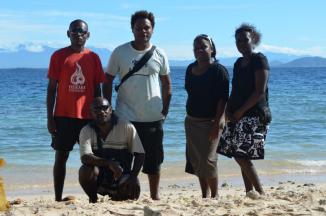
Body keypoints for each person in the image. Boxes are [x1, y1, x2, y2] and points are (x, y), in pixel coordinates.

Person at [103, 10, 172, 200]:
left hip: (153, 117)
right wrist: (109, 110)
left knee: (154, 160)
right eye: (139, 28)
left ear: (153, 29)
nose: (143, 31)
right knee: (125, 159)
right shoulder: (120, 52)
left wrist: (165, 110)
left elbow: (167, 83)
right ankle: (124, 193)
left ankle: (155, 196)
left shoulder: (160, 53)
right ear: (132, 29)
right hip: (126, 116)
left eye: (147, 28)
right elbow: (107, 81)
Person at [46, 19, 106, 201]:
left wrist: (101, 118)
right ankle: (57, 197)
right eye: (74, 31)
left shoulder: (93, 58)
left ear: (88, 35)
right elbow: (51, 89)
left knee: (91, 157)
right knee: (61, 156)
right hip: (63, 116)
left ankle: (93, 196)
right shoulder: (58, 56)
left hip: (87, 118)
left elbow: (98, 90)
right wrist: (50, 118)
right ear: (68, 34)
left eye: (82, 32)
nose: (78, 34)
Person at [217, 24, 272, 196]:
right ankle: (249, 192)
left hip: (255, 115)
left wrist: (241, 111)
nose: (241, 43)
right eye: (238, 40)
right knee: (239, 153)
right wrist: (228, 111)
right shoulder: (239, 63)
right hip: (236, 114)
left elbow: (259, 91)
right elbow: (236, 90)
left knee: (241, 156)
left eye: (245, 40)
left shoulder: (259, 60)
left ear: (253, 40)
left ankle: (260, 193)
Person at [184, 34, 229, 198]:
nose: (199, 50)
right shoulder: (190, 68)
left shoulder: (219, 71)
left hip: (212, 121)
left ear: (212, 49)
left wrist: (217, 123)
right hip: (192, 121)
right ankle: (205, 195)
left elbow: (223, 99)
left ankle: (215, 195)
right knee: (197, 161)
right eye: (196, 48)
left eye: (203, 46)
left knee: (209, 160)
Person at [78, 97, 145, 203]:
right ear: (91, 113)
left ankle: (117, 197)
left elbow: (140, 154)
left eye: (105, 108)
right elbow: (85, 157)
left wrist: (133, 177)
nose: (101, 112)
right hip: (99, 179)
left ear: (111, 110)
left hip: (122, 177)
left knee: (133, 189)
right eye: (97, 109)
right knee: (85, 171)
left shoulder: (126, 126)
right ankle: (93, 199)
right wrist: (109, 163)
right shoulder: (86, 130)